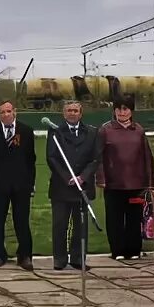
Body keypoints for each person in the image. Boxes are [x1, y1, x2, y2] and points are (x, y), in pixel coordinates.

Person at [96, 95, 154, 260]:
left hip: (136, 184)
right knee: (114, 219)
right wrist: (101, 178)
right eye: (118, 109)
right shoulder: (105, 130)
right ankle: (118, 250)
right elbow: (98, 156)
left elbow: (147, 158)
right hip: (114, 184)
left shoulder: (138, 130)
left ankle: (134, 250)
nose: (122, 112)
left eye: (125, 109)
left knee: (134, 218)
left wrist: (151, 184)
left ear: (131, 111)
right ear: (114, 111)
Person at [0, 100, 37, 270]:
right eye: (2, 112)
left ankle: (25, 255)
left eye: (8, 111)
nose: (5, 115)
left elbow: (31, 160)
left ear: (14, 112)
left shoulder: (26, 131)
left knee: (21, 221)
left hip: (21, 185)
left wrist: (31, 183)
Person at [46, 101, 99, 270]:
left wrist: (82, 177)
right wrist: (67, 177)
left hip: (83, 187)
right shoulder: (55, 132)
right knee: (60, 224)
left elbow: (95, 159)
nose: (72, 113)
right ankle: (59, 259)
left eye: (75, 110)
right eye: (69, 110)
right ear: (64, 113)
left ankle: (78, 258)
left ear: (81, 113)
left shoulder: (92, 132)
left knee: (80, 225)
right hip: (62, 187)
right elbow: (51, 157)